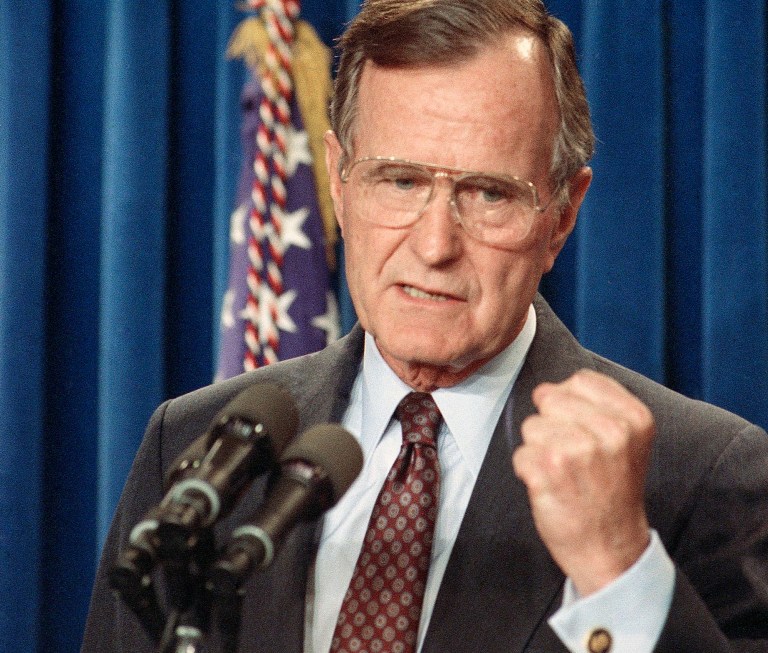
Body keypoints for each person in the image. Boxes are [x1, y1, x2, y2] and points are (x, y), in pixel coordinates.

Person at [81, 1, 768, 651]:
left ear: (560, 215)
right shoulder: (198, 442)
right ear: (339, 182)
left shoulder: (700, 474)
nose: (435, 243)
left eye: (489, 192)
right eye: (400, 181)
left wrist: (619, 568)